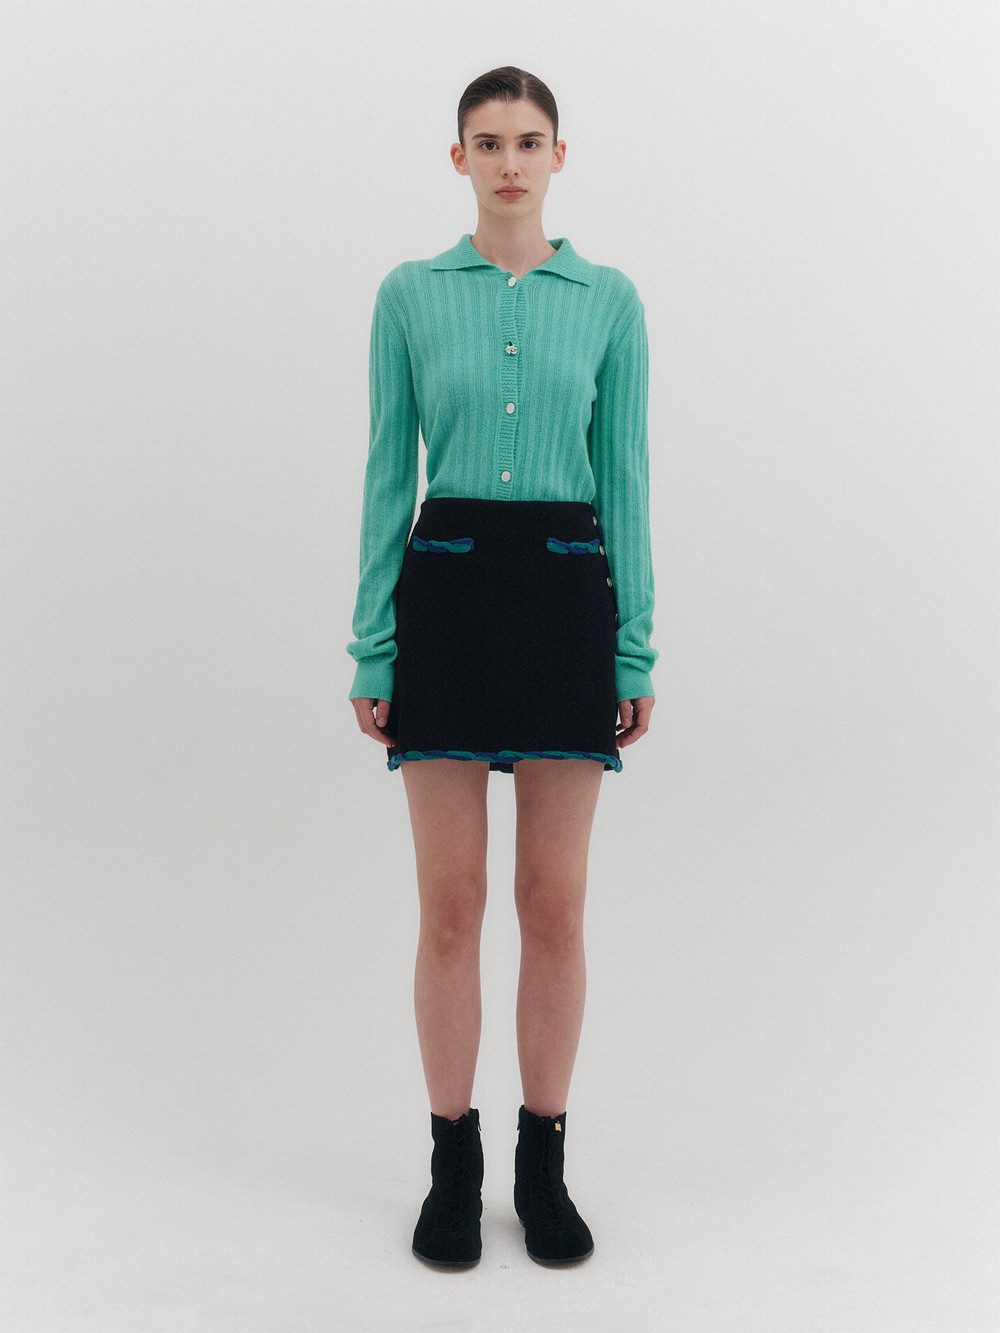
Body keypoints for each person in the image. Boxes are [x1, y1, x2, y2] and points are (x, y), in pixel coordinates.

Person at [347, 66, 656, 1268]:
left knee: (553, 906)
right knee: (452, 907)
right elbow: (389, 474)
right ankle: (451, 1163)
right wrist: (374, 641)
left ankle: (543, 1162)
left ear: (559, 156)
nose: (510, 162)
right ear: (459, 158)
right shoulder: (410, 295)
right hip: (447, 598)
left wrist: (632, 645)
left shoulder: (609, 300)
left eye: (529, 141)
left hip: (568, 599)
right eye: (488, 142)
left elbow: (625, 478)